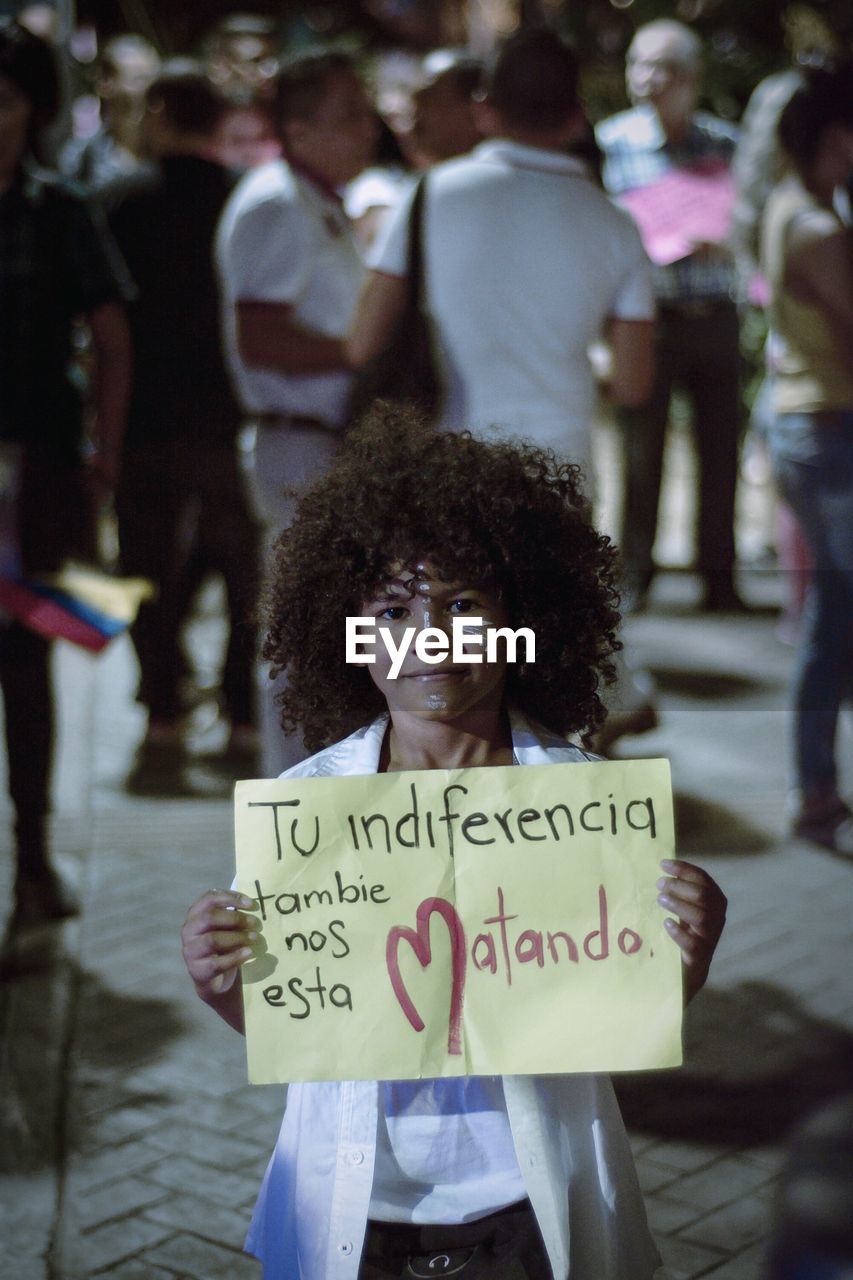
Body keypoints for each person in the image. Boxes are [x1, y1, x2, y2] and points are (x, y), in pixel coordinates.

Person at [182, 408, 728, 1280]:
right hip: (357, 1210)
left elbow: (620, 1016)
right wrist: (220, 987)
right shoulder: (305, 810)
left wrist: (686, 962)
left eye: (463, 602)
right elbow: (292, 1023)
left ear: (523, 620)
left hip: (530, 1210)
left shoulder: (581, 802)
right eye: (393, 609)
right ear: (348, 634)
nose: (428, 635)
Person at [349, 28, 658, 747]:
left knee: (445, 660)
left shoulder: (430, 194)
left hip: (445, 466)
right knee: (540, 655)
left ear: (484, 106)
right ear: (576, 115)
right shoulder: (613, 224)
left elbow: (363, 338)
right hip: (561, 465)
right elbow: (636, 380)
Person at [0, 19, 131, 931]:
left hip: (35, 477)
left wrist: (102, 456)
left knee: (27, 665)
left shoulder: (59, 210)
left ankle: (34, 858)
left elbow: (116, 338)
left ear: (31, 108)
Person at [215, 48, 377, 776]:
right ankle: (298, 801)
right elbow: (260, 332)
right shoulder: (279, 202)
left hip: (320, 444)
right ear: (300, 127)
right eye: (349, 115)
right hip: (297, 443)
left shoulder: (312, 200)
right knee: (301, 635)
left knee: (325, 632)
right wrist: (357, 353)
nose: (368, 129)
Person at [106, 61, 260, 786]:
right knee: (240, 569)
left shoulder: (116, 201)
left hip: (140, 418)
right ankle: (239, 710)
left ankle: (162, 706)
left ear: (161, 112)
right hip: (228, 415)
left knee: (143, 567)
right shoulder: (242, 200)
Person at [596, 19, 744, 612]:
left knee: (720, 450)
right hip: (646, 320)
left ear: (691, 79)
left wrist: (723, 235)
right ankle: (636, 576)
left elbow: (752, 224)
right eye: (639, 64)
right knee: (641, 452)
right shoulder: (609, 144)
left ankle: (720, 577)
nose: (647, 79)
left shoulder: (725, 144)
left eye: (662, 67)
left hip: (716, 314)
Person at [760, 61, 853, 855]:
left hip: (808, 423)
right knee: (834, 620)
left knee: (833, 616)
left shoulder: (793, 205)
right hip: (826, 429)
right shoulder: (819, 228)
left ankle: (815, 789)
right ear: (834, 139)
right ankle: (813, 789)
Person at [60, 33, 160, 192]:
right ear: (105, 83)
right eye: (139, 79)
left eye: (155, 80)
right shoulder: (81, 156)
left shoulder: (168, 153)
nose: (150, 89)